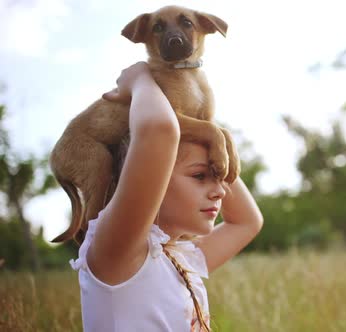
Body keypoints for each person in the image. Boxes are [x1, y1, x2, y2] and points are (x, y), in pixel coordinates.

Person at [65, 62, 263, 332]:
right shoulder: (119, 252)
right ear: (154, 176)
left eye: (218, 177)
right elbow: (159, 130)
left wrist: (213, 139)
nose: (220, 191)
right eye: (200, 176)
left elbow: (247, 221)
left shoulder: (181, 258)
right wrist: (139, 78)